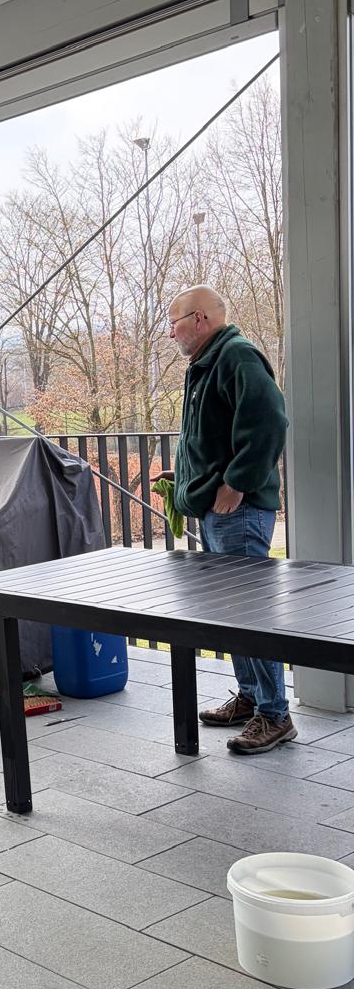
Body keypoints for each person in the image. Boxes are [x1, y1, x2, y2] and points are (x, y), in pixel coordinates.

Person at [154, 285, 292, 755]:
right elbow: (214, 433)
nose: (170, 332)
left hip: (239, 512)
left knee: (250, 616)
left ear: (200, 319)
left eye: (174, 321)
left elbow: (271, 422)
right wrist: (188, 474)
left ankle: (275, 715)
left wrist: (236, 483)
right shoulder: (209, 363)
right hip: (217, 512)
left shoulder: (237, 357)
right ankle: (252, 699)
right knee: (233, 617)